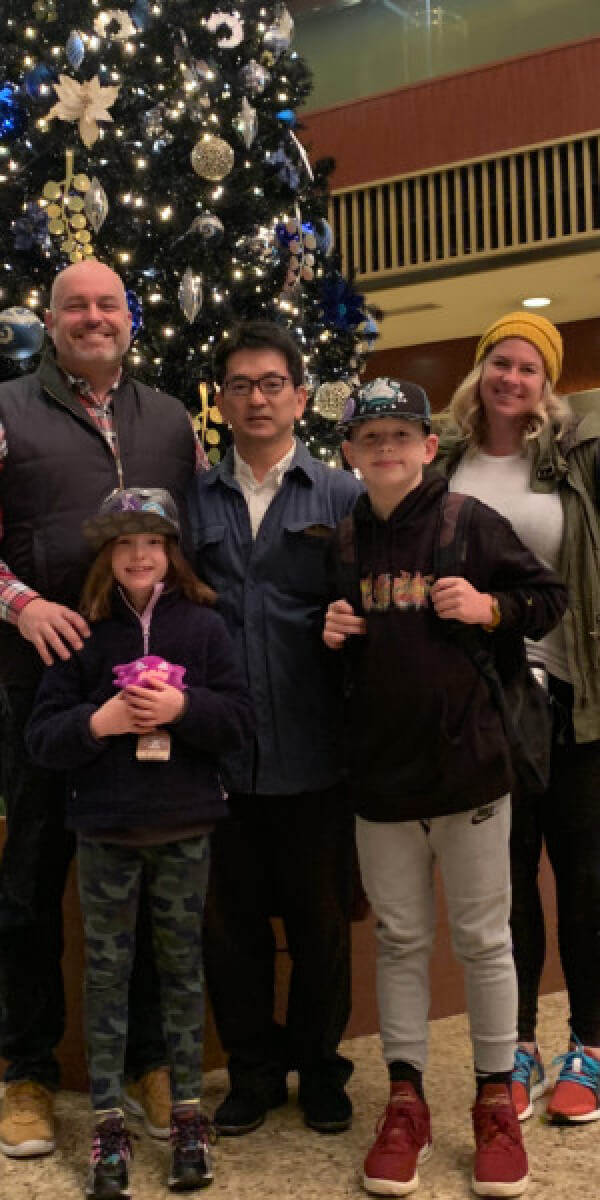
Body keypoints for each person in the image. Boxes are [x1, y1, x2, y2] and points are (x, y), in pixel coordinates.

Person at [324, 377, 567, 1197]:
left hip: (469, 775)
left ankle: (495, 1102)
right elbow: (350, 658)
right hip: (381, 782)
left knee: (483, 942)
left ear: (431, 447)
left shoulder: (471, 523)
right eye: (370, 438)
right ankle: (406, 1103)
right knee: (399, 942)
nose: (386, 449)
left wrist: (490, 608)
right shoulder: (345, 543)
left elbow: (548, 600)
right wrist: (332, 631)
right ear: (351, 454)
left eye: (401, 435)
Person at [0, 260, 204, 1158]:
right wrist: (21, 602)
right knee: (31, 882)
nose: (94, 317)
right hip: (40, 684)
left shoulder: (168, 419)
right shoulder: (7, 412)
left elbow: (199, 542)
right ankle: (27, 1073)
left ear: (131, 317)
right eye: (75, 305)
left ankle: (157, 1061)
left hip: (154, 689)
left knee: (153, 865)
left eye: (108, 304)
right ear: (50, 320)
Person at [25, 487, 253, 1197]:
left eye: (151, 542)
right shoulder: (84, 631)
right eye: (123, 544)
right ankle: (106, 1122)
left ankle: (187, 1112)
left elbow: (238, 721)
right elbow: (43, 737)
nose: (138, 555)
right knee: (106, 976)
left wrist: (185, 709)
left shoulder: (207, 626)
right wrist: (99, 724)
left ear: (171, 551)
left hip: (186, 826)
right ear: (107, 554)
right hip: (106, 831)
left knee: (182, 971)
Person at [188, 320, 362, 1137]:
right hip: (219, 757)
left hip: (316, 752)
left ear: (299, 394)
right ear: (220, 403)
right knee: (231, 929)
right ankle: (253, 1073)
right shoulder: (194, 501)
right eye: (239, 386)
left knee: (322, 928)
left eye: (271, 383)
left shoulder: (342, 495)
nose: (255, 398)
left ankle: (321, 1070)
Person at [434, 311, 600, 1126]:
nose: (512, 378)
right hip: (487, 704)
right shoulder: (446, 465)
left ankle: (592, 1047)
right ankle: (521, 1042)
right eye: (500, 363)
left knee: (586, 879)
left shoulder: (573, 460)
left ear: (548, 384)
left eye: (530, 368)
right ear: (479, 371)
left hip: (578, 698)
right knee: (507, 884)